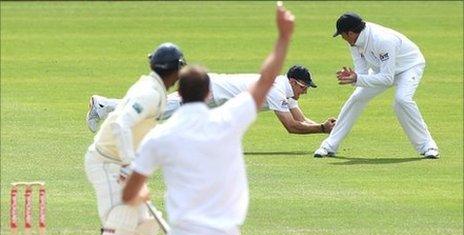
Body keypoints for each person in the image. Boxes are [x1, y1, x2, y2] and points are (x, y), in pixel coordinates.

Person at [121, 2, 294, 235]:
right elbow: (266, 79)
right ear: (208, 93)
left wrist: (139, 192)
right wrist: (283, 37)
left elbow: (128, 193)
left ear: (179, 94)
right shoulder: (228, 118)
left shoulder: (160, 135)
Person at [84, 42, 186, 235]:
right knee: (120, 223)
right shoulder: (149, 93)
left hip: (118, 163)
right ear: (175, 70)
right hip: (106, 162)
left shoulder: (153, 88)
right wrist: (130, 165)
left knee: (146, 225)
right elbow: (120, 124)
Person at [314, 12, 439, 159]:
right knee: (357, 98)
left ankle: (428, 146)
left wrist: (357, 78)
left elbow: (387, 79)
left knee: (402, 100)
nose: (343, 39)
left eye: (343, 35)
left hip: (408, 67)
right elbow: (361, 71)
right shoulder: (353, 42)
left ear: (351, 32)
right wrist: (354, 78)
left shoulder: (382, 40)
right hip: (382, 69)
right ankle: (329, 145)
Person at [86, 65, 337, 135]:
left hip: (213, 95)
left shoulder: (284, 89)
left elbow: (301, 119)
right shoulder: (275, 89)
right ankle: (105, 105)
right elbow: (292, 127)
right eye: (304, 87)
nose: (305, 91)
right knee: (158, 111)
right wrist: (322, 129)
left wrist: (326, 131)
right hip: (207, 92)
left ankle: (107, 106)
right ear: (293, 82)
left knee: (160, 111)